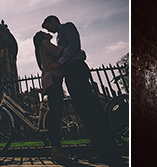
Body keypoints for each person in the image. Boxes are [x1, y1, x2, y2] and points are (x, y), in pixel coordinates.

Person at [41, 15, 121, 162]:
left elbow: (74, 45)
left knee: (90, 108)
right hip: (70, 70)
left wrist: (60, 62)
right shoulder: (59, 36)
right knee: (84, 110)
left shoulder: (67, 27)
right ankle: (99, 149)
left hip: (75, 68)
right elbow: (70, 50)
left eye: (48, 27)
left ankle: (108, 151)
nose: (49, 31)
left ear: (53, 21)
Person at [32, 30, 70, 160]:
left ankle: (56, 149)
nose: (48, 33)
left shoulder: (40, 48)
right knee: (55, 114)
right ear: (42, 36)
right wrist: (77, 52)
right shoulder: (45, 43)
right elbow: (61, 52)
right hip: (53, 78)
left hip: (49, 81)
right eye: (44, 32)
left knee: (54, 113)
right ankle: (56, 149)